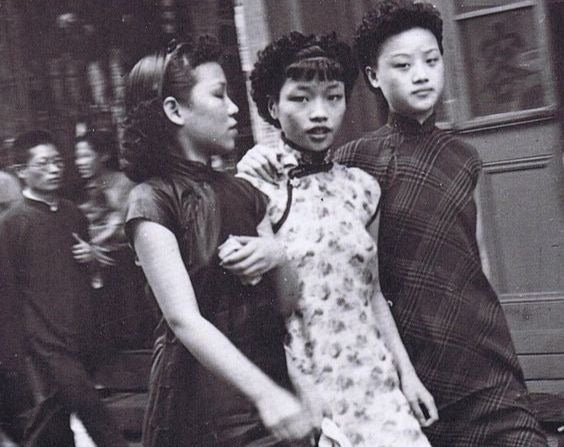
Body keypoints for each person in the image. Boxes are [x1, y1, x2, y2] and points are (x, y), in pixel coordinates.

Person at [237, 2, 548, 446]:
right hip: (387, 361)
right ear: (373, 77)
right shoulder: (351, 163)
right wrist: (259, 156)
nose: (421, 74)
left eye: (431, 61)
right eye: (402, 65)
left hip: (474, 353)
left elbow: (471, 261)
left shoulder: (456, 160)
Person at [229, 31, 437, 447]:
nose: (319, 113)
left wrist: (408, 376)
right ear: (273, 106)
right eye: (301, 99)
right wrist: (298, 391)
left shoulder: (362, 189)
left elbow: (373, 293)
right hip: (309, 382)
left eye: (333, 97)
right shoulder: (258, 185)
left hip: (376, 382)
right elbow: (264, 307)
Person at [121, 37, 315, 446]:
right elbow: (182, 319)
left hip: (271, 386)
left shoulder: (246, 193)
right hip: (201, 406)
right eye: (218, 95)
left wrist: (278, 255)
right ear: (174, 110)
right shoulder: (151, 200)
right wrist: (266, 395)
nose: (233, 109)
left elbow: (287, 303)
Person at [0, 130, 127, 446]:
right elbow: (8, 291)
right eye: (42, 164)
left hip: (78, 333)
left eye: (57, 162)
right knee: (94, 413)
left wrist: (92, 257)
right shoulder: (12, 223)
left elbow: (92, 279)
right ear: (22, 171)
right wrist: (15, 351)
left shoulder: (73, 214)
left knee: (53, 427)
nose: (54, 169)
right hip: (42, 341)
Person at [74, 130, 152, 349]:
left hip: (126, 265)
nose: (79, 162)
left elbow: (120, 226)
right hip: (102, 264)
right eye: (77, 157)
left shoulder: (123, 184)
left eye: (85, 155)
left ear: (104, 155)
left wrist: (94, 243)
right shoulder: (91, 187)